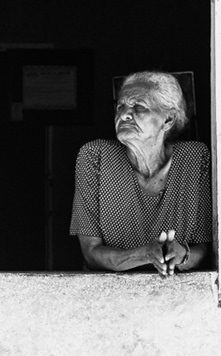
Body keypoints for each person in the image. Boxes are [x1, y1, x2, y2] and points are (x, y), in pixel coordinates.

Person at [70, 71, 212, 274]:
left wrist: (181, 255)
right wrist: (145, 255)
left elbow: (205, 250)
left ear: (168, 119)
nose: (124, 115)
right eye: (120, 107)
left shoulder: (194, 158)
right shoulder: (95, 156)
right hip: (109, 289)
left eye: (139, 107)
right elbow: (91, 254)